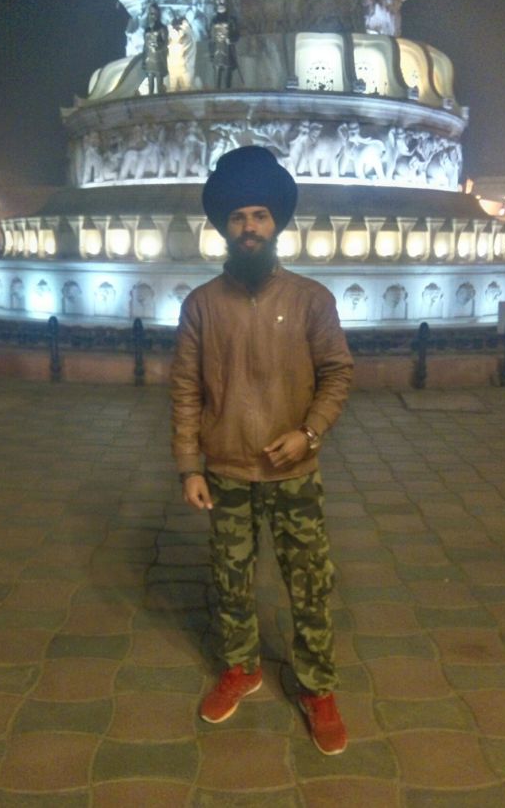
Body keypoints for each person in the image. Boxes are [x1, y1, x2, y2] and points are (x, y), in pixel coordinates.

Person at [170, 146, 354, 755]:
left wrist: (309, 433)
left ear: (276, 223)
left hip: (294, 471)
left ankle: (317, 686)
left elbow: (337, 374)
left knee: (310, 583)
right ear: (224, 226)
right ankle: (241, 667)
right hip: (225, 470)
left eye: (259, 215)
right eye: (238, 217)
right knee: (230, 579)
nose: (249, 227)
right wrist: (189, 466)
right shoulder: (201, 305)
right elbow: (186, 389)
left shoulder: (310, 300)